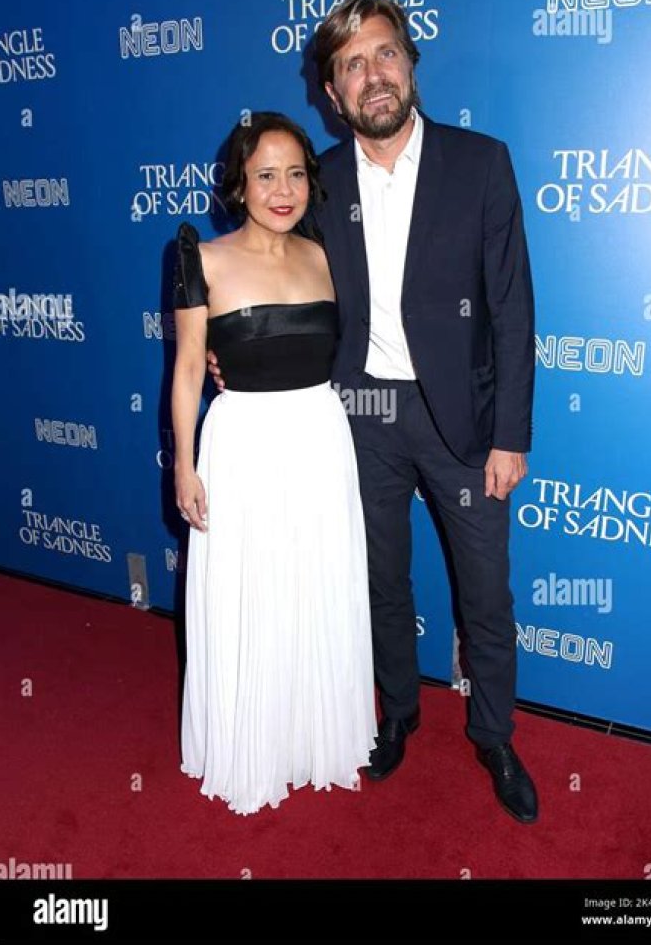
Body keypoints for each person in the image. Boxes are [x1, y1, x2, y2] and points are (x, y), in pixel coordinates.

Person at [209, 0, 538, 823]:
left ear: (411, 65)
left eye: (385, 54)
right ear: (331, 91)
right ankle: (396, 714)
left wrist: (510, 434)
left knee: (485, 592)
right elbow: (272, 275)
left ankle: (495, 735)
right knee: (379, 579)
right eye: (352, 64)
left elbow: (513, 308)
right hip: (355, 417)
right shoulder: (318, 183)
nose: (373, 75)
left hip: (464, 422)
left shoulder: (481, 163)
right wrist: (228, 351)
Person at [171, 111, 377, 816]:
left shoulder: (326, 254)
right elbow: (189, 367)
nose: (282, 190)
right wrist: (183, 465)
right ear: (239, 184)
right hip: (243, 444)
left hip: (319, 435)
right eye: (265, 175)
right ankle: (251, 743)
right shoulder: (202, 257)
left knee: (314, 583)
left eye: (294, 174)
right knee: (251, 588)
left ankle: (311, 735)